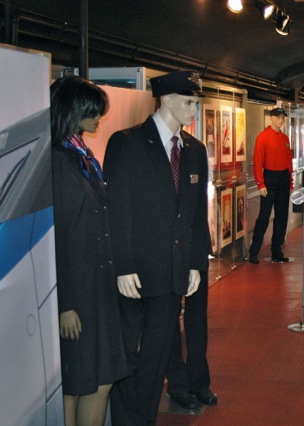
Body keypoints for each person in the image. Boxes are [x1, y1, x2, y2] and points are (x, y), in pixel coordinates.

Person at [104, 70, 211, 425]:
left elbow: (196, 213)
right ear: (166, 99)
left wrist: (195, 263)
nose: (194, 110)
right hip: (135, 273)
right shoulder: (127, 143)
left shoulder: (194, 150)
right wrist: (122, 265)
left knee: (156, 356)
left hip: (174, 273)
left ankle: (145, 420)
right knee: (127, 356)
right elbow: (117, 209)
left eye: (195, 103)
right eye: (189, 102)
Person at [50, 76, 128, 426]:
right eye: (93, 112)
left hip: (98, 286)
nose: (99, 119)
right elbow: (55, 237)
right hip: (77, 292)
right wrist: (64, 304)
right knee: (74, 383)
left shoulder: (82, 157)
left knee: (100, 379)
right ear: (72, 110)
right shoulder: (58, 161)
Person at [165, 268, 217, 410]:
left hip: (196, 257)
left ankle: (198, 382)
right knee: (170, 316)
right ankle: (177, 384)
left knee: (198, 316)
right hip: (167, 258)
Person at [248, 107, 293, 264]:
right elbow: (258, 161)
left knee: (282, 216)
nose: (281, 120)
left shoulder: (285, 138)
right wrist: (260, 183)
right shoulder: (263, 137)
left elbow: (288, 161)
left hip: (283, 178)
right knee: (264, 216)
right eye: (278, 117)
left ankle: (276, 251)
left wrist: (290, 181)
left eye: (283, 117)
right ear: (271, 118)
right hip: (269, 178)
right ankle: (254, 251)